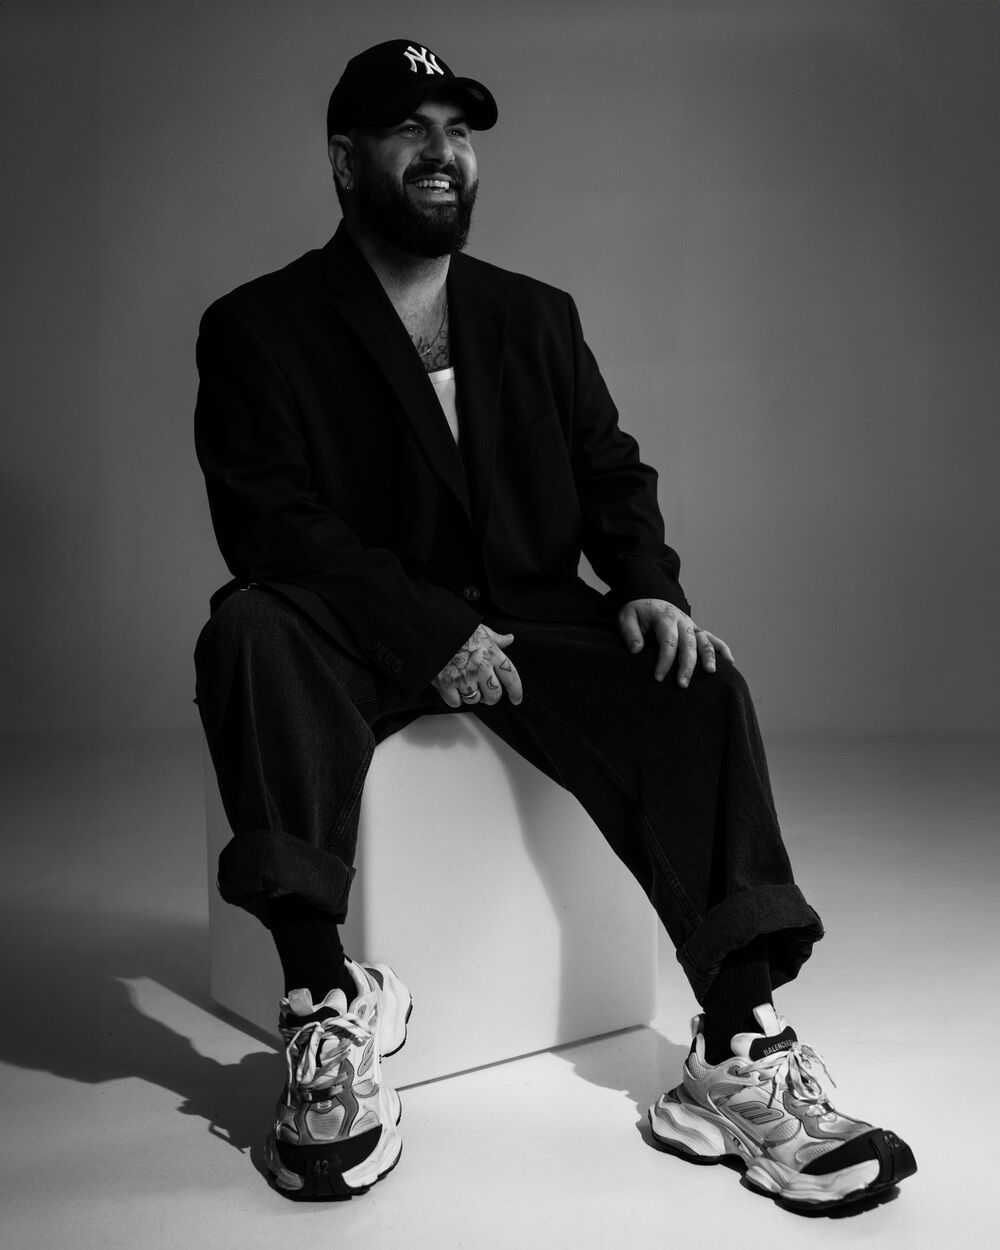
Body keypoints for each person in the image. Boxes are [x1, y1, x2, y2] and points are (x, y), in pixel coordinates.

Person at [193, 39, 916, 1211]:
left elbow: (609, 471)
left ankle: (736, 1043)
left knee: (694, 677)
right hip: (351, 625)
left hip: (530, 620)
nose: (443, 154)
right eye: (409, 130)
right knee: (246, 631)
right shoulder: (258, 325)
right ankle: (326, 1004)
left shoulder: (534, 315)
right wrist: (429, 630)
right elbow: (271, 522)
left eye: (458, 131)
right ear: (344, 159)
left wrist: (647, 583)